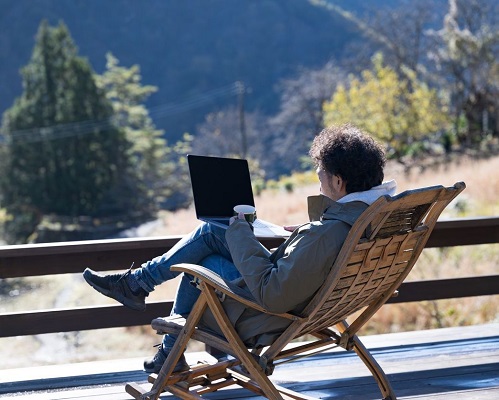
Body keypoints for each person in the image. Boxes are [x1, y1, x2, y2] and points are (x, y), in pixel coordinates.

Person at [83, 123, 397, 373]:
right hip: (312, 305)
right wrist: (302, 234)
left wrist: (240, 230)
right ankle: (140, 292)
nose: (318, 186)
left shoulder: (326, 234)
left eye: (321, 179)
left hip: (261, 315)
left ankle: (148, 308)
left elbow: (273, 294)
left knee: (201, 260)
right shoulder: (372, 220)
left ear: (339, 183)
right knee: (211, 235)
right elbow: (312, 261)